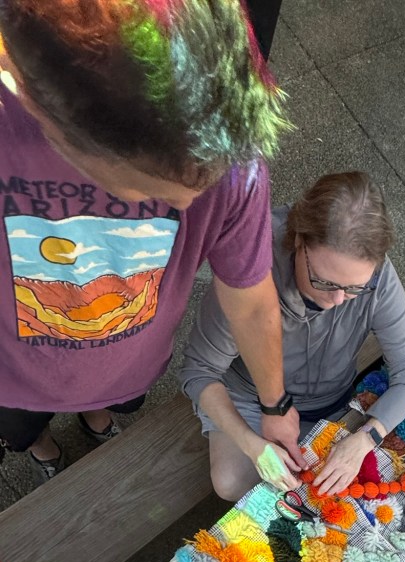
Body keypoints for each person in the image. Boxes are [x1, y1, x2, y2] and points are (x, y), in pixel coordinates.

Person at [0, 0, 302, 485]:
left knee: (109, 405)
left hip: (129, 366)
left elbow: (250, 305)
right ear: (43, 112)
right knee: (22, 429)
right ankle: (40, 444)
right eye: (153, 192)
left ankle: (95, 415)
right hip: (15, 379)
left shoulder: (233, 163)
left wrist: (276, 404)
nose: (188, 205)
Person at [179, 171, 405, 499]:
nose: (337, 300)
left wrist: (366, 438)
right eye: (325, 282)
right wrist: (251, 444)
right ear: (298, 240)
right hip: (249, 396)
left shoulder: (377, 279)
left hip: (331, 400)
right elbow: (198, 371)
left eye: (355, 288)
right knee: (231, 481)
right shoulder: (250, 267)